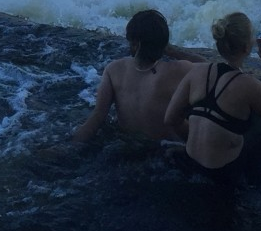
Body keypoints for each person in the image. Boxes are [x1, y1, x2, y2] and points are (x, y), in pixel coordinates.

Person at [164, 11, 261, 183]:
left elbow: (170, 119)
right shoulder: (247, 84)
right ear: (246, 47)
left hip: (192, 165)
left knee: (248, 118)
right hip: (225, 175)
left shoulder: (197, 71)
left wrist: (201, 140)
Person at [72, 9, 202, 143]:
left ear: (135, 43)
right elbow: (211, 67)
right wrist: (173, 51)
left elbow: (97, 117)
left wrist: (71, 145)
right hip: (164, 149)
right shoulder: (180, 70)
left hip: (127, 148)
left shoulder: (114, 69)